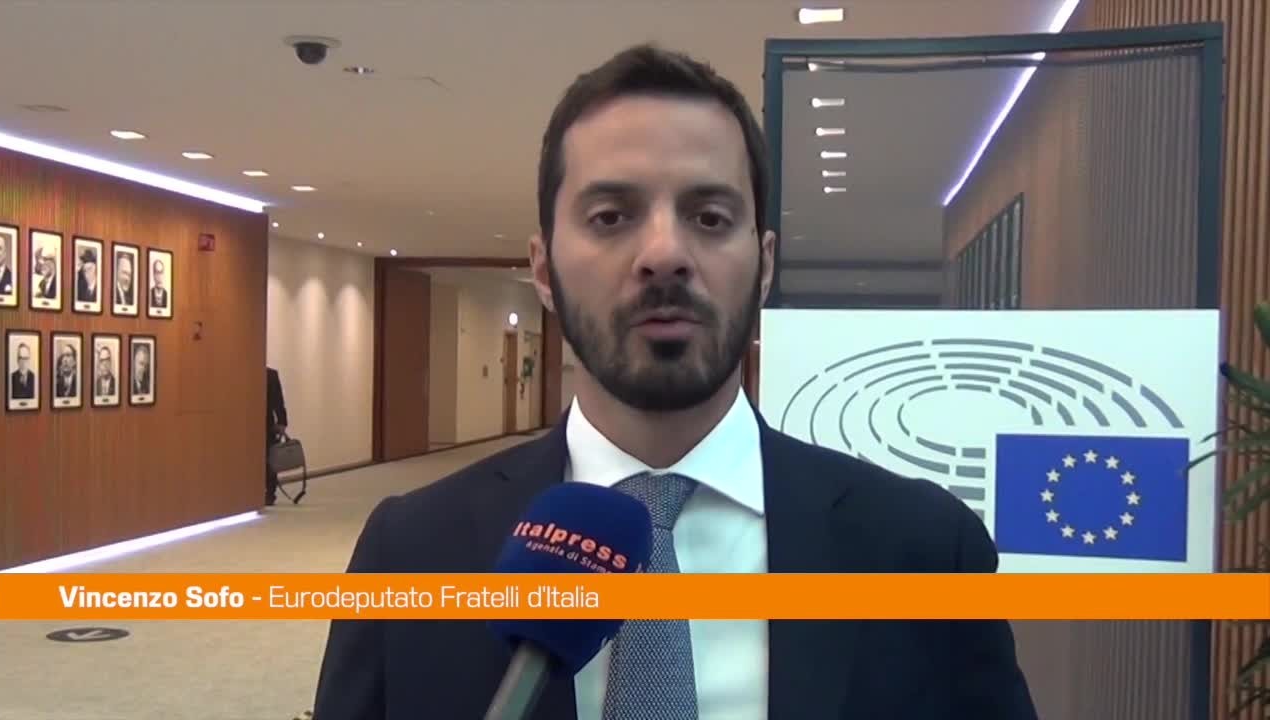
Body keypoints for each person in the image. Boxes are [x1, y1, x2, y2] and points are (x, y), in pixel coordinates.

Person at [313, 44, 1037, 720]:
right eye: (610, 216)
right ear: (542, 269)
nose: (664, 254)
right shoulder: (410, 551)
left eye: (710, 217)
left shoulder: (923, 549)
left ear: (765, 264)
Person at [266, 366, 288, 506]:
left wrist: (282, 422)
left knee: (269, 459)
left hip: (267, 424)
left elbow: (279, 401)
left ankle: (270, 493)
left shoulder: (270, 374)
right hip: (247, 424)